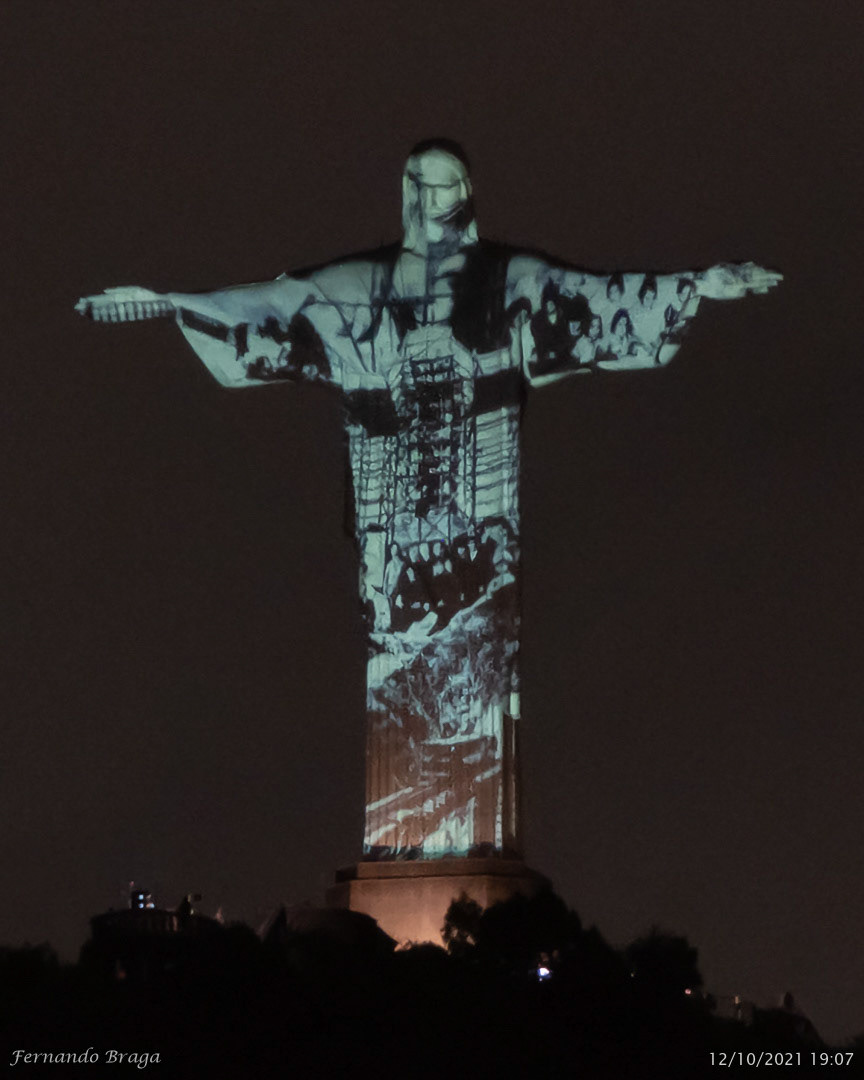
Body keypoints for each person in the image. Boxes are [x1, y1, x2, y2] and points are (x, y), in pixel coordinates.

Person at [76, 140, 782, 859]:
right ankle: (404, 849)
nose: (428, 199)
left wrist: (696, 284)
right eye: (417, 184)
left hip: (480, 516)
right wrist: (169, 304)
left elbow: (590, 298)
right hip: (396, 519)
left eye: (444, 186)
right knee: (398, 668)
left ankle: (468, 843)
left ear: (467, 193)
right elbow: (273, 304)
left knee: (476, 668)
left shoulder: (505, 278)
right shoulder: (363, 281)